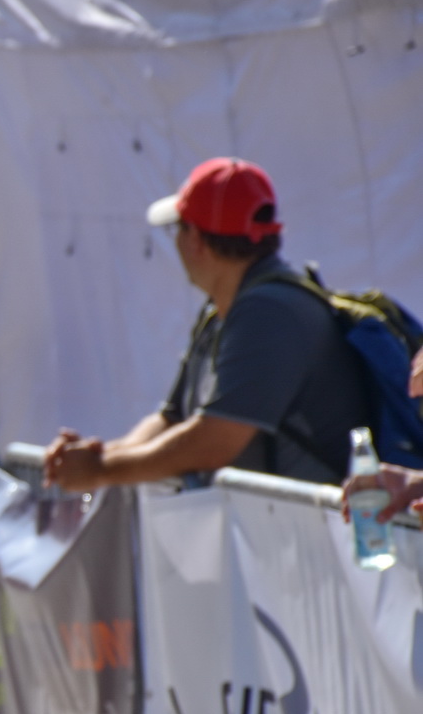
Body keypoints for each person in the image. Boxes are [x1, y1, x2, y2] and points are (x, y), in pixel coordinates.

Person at [45, 157, 372, 491]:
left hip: (311, 536)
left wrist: (102, 469)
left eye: (178, 228)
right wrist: (91, 457)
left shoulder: (270, 311)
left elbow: (215, 439)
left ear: (196, 240)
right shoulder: (226, 310)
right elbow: (172, 419)